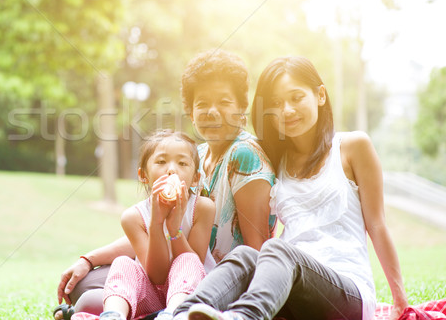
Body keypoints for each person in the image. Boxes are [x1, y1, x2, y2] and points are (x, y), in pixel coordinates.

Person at [174, 56, 408, 320]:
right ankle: (180, 314)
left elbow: (377, 225)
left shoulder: (353, 147)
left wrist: (400, 300)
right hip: (290, 286)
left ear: (320, 95)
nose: (286, 110)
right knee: (247, 255)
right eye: (275, 103)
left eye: (296, 98)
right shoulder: (276, 160)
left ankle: (245, 317)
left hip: (346, 293)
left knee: (277, 250)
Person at [53, 50, 276, 320]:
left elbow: (257, 250)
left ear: (242, 109)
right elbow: (149, 228)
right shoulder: (198, 155)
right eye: (202, 103)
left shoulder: (244, 155)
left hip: (215, 282)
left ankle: (164, 314)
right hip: (170, 270)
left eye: (224, 102)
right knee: (88, 284)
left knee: (93, 296)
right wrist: (88, 259)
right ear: (191, 113)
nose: (212, 111)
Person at [72, 130, 216, 320]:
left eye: (182, 163)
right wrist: (156, 224)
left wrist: (174, 230)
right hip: (152, 294)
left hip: (191, 293)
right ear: (143, 175)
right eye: (161, 162)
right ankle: (114, 315)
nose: (171, 170)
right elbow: (156, 276)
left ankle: (173, 315)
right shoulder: (133, 217)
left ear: (196, 178)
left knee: (187, 259)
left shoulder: (202, 208)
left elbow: (194, 265)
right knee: (123, 263)